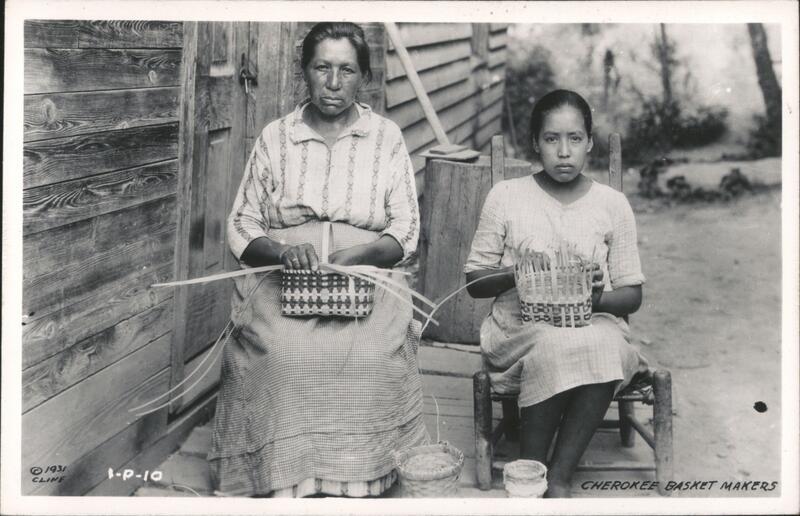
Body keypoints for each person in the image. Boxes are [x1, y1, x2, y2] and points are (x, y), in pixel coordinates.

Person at [209, 22, 428, 498]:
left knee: (368, 356)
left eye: (346, 70)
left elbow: (406, 230)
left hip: (367, 279)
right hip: (284, 279)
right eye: (321, 68)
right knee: (287, 355)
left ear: (363, 76)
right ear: (304, 73)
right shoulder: (276, 137)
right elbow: (242, 226)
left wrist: (366, 253)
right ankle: (284, 477)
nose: (333, 83)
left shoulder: (385, 137)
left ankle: (358, 476)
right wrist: (284, 251)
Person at [464, 89, 648, 497]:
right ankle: (530, 473)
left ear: (589, 143)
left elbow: (632, 294)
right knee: (553, 345)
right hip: (519, 328)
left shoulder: (612, 204)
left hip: (592, 322)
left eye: (575, 139)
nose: (564, 152)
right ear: (535, 143)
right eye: (551, 139)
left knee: (600, 344)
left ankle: (560, 478)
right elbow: (474, 282)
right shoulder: (507, 196)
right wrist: (518, 273)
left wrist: (595, 298)